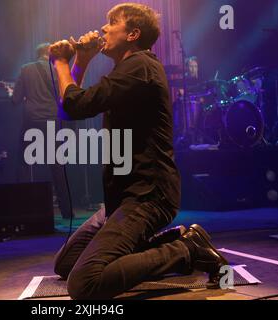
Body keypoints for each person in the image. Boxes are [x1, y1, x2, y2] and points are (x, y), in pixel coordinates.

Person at [49, 3, 228, 300]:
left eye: (111, 23)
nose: (103, 28)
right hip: (123, 198)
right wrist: (80, 60)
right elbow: (70, 108)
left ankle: (185, 249)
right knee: (66, 263)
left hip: (147, 196)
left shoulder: (140, 67)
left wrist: (60, 63)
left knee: (85, 283)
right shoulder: (128, 69)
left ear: (133, 34)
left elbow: (73, 104)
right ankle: (176, 240)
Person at [12, 43, 74, 219]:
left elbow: (16, 99)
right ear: (49, 53)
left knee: (24, 163)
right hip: (53, 121)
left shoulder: (26, 69)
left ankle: (22, 209)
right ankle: (67, 212)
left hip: (32, 121)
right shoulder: (58, 70)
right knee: (57, 166)